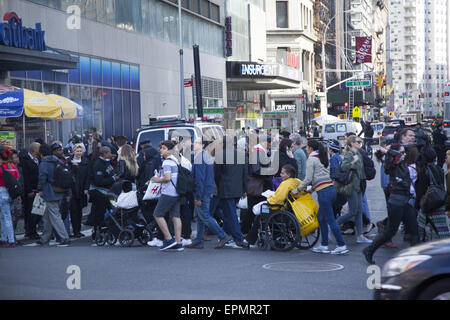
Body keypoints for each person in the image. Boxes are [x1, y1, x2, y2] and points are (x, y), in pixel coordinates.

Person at [363, 144, 420, 264]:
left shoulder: (401, 164)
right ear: (395, 155)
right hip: (396, 202)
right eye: (402, 153)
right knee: (390, 231)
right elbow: (395, 155)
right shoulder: (393, 165)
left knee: (414, 229)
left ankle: (416, 259)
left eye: (404, 153)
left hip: (403, 201)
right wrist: (388, 150)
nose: (404, 155)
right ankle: (369, 250)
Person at [291, 141, 349, 254]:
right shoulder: (323, 157)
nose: (306, 150)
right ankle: (324, 245)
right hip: (330, 189)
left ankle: (341, 245)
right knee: (321, 218)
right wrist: (312, 189)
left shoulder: (311, 160)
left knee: (330, 220)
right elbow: (321, 176)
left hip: (323, 193)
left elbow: (308, 179)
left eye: (307, 148)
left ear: (311, 148)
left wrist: (297, 190)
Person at [187, 137, 232, 249]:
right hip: (206, 190)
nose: (194, 144)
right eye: (194, 142)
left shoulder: (200, 158)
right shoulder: (203, 157)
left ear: (202, 145)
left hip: (203, 192)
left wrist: (198, 197)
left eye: (197, 143)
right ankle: (199, 240)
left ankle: (222, 236)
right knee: (201, 217)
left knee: (205, 216)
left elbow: (200, 179)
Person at [214, 136, 249, 249]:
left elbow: (217, 174)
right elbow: (245, 173)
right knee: (229, 214)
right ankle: (224, 234)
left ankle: (238, 238)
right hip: (238, 188)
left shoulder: (220, 155)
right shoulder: (241, 154)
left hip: (225, 188)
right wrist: (244, 189)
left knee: (231, 214)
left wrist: (219, 186)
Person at [335, 135, 372, 244]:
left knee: (359, 211)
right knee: (353, 211)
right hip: (351, 186)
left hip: (359, 185)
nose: (360, 143)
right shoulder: (350, 154)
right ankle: (333, 225)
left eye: (360, 142)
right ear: (351, 143)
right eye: (357, 142)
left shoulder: (359, 154)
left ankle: (360, 236)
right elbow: (344, 167)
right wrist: (353, 162)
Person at [34, 144, 71, 247]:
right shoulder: (57, 161)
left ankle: (64, 237)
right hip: (59, 191)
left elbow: (42, 178)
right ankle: (45, 237)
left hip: (49, 192)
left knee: (55, 216)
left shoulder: (44, 164)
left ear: (41, 154)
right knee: (47, 216)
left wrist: (40, 189)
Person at [151, 140, 183, 251]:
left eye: (164, 148)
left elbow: (167, 178)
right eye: (161, 148)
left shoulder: (167, 162)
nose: (161, 150)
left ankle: (169, 239)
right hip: (177, 192)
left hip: (168, 192)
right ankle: (178, 242)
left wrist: (156, 180)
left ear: (169, 151)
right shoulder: (176, 160)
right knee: (176, 216)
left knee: (157, 214)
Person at [415, 147, 449, 241]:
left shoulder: (424, 171)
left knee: (422, 231)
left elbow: (420, 192)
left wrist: (417, 206)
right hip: (440, 203)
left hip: (428, 205)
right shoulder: (439, 169)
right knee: (440, 231)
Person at [89, 146, 118, 243]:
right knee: (99, 213)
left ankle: (108, 231)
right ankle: (98, 232)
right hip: (99, 193)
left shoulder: (107, 163)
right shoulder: (98, 164)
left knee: (111, 212)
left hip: (108, 192)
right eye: (109, 153)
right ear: (104, 154)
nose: (111, 154)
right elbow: (99, 180)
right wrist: (112, 179)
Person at [68, 143, 90, 238]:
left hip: (81, 189)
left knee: (80, 211)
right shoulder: (69, 161)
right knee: (73, 211)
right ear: (73, 151)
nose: (79, 153)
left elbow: (88, 177)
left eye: (80, 151)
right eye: (77, 151)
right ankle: (75, 230)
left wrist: (86, 188)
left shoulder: (85, 161)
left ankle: (78, 230)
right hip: (72, 189)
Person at [0, 147, 20, 248]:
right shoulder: (12, 166)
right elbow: (17, 178)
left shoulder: (1, 167)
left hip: (2, 191)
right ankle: (4, 238)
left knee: (5, 216)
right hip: (12, 193)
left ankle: (10, 239)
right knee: (5, 216)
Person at [22, 142, 41, 240]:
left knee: (38, 212)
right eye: (39, 148)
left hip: (38, 189)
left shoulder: (38, 159)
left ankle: (32, 229)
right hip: (30, 190)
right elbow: (26, 177)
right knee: (31, 212)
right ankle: (30, 231)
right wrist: (29, 190)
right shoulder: (26, 160)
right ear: (34, 149)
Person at [9, 150, 23, 243]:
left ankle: (12, 235)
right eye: (14, 157)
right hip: (10, 194)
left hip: (17, 194)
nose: (16, 159)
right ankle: (10, 236)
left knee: (17, 214)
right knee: (10, 215)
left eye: (17, 157)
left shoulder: (19, 167)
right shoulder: (8, 168)